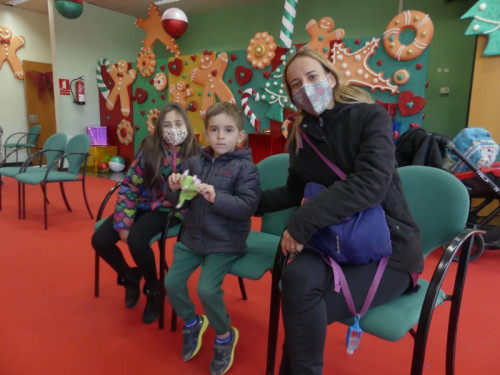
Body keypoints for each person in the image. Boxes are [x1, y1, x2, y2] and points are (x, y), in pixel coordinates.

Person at [257, 49, 424, 374]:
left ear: (330, 78)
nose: (304, 87)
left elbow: (371, 183)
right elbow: (293, 191)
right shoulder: (301, 136)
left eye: (312, 77)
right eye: (295, 84)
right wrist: (237, 201)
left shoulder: (370, 116)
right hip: (332, 243)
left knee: (302, 312)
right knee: (296, 277)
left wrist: (301, 223)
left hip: (390, 250)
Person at [165, 102, 260, 375]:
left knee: (206, 290)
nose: (220, 136)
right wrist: (173, 189)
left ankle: (223, 335)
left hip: (225, 241)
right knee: (172, 282)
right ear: (205, 134)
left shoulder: (246, 168)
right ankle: (192, 322)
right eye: (214, 130)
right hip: (193, 237)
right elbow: (179, 202)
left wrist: (216, 197)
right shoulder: (194, 162)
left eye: (228, 130)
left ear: (240, 136)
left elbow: (247, 207)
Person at [91, 102, 200, 324]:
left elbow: (195, 193)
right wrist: (123, 222)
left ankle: (153, 288)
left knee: (137, 240)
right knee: (100, 239)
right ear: (159, 128)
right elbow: (130, 185)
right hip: (140, 204)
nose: (173, 129)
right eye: (167, 124)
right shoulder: (149, 150)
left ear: (187, 126)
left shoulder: (195, 155)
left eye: (178, 123)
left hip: (167, 209)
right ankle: (130, 276)